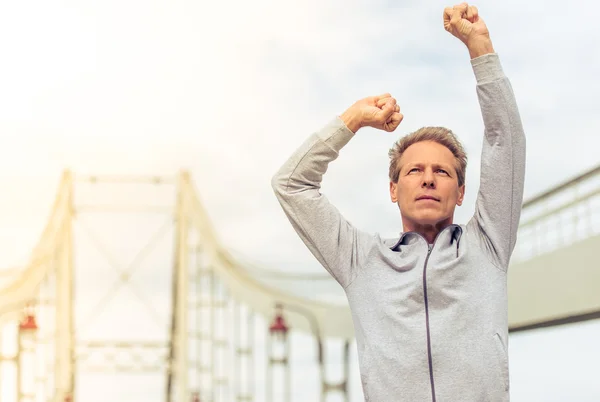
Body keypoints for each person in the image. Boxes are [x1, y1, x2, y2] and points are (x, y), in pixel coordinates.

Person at [271, 2, 526, 401]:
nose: (427, 178)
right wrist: (353, 119)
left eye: (442, 172)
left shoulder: (488, 245)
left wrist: (480, 45)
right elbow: (291, 184)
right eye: (413, 171)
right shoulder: (360, 261)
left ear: (461, 192)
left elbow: (503, 139)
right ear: (393, 189)